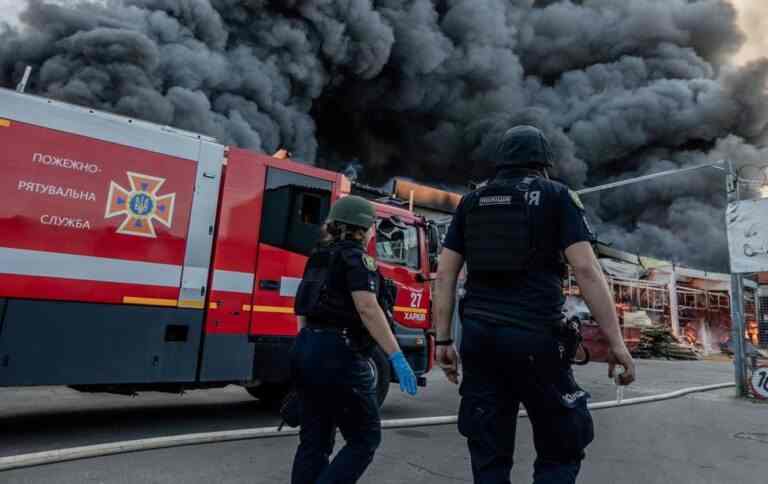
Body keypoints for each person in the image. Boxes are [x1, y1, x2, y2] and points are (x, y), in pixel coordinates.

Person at [433, 125, 636, 484]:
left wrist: (444, 341)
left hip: (479, 339)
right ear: (544, 163)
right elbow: (586, 270)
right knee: (561, 444)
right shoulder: (557, 196)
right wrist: (616, 344)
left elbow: (445, 275)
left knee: (488, 451)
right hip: (534, 337)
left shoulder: (471, 202)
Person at [291, 195, 418, 484]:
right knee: (364, 439)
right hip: (340, 354)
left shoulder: (317, 258)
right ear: (364, 228)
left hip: (306, 346)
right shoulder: (358, 259)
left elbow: (302, 308)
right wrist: (396, 356)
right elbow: (368, 309)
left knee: (314, 442)